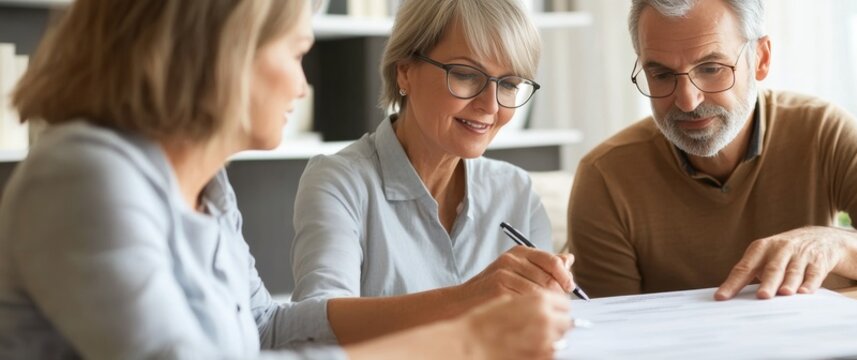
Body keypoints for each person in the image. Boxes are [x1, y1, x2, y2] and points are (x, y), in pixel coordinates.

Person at [0, 0, 571, 358]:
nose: (302, 86)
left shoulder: (208, 192)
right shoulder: (84, 178)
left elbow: (265, 328)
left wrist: (471, 313)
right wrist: (466, 340)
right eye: (298, 53)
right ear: (224, 51)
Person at [568, 0, 857, 300]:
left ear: (760, 59)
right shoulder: (606, 176)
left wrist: (836, 244)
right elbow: (610, 332)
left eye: (711, 68)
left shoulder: (820, 130)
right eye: (661, 74)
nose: (688, 100)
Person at [290, 0, 578, 344]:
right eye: (466, 75)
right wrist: (471, 297)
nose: (491, 105)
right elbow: (314, 329)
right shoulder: (339, 182)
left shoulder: (516, 191)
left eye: (509, 84)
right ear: (405, 70)